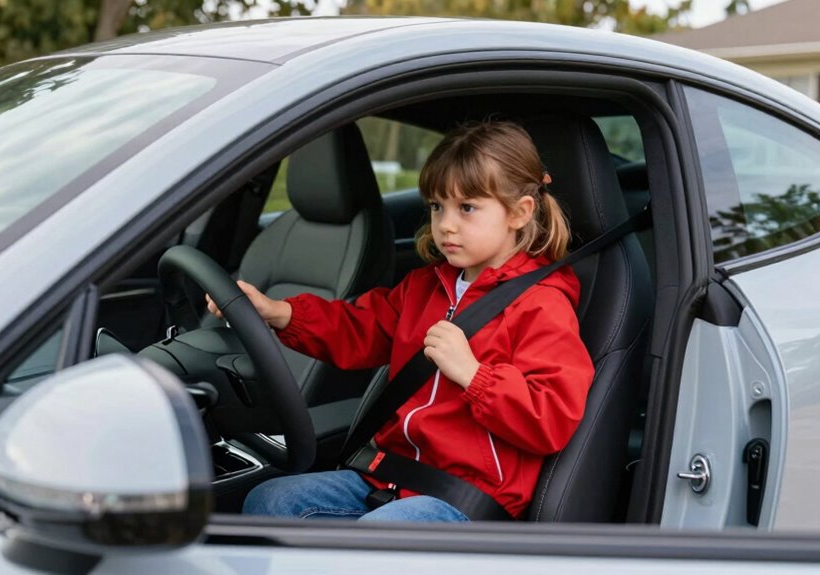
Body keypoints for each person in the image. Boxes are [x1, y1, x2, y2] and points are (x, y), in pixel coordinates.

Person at [208, 120, 595, 521]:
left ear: (519, 212)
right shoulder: (425, 286)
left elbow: (550, 417)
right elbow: (360, 329)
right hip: (387, 477)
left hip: (463, 496)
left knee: (378, 540)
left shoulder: (540, 305)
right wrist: (280, 312)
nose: (446, 224)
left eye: (467, 208)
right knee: (269, 501)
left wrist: (474, 376)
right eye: (437, 207)